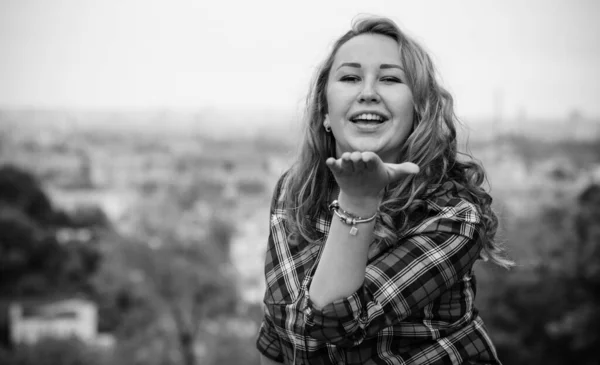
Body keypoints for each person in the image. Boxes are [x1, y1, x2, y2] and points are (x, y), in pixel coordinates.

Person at [256, 15, 513, 365]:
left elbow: (335, 324)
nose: (368, 93)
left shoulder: (453, 216)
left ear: (419, 111)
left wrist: (359, 200)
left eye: (390, 79)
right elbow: (279, 338)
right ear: (325, 112)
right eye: (350, 77)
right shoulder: (295, 190)